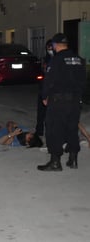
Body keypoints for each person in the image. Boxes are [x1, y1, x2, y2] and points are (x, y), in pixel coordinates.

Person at [37, 33, 87, 171]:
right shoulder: (79, 59)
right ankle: (73, 159)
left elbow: (49, 80)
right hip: (75, 100)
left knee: (54, 129)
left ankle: (55, 162)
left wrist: (44, 96)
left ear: (55, 45)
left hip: (58, 101)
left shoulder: (57, 59)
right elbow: (83, 81)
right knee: (72, 128)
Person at [35, 39, 54, 137]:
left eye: (51, 47)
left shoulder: (57, 59)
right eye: (47, 47)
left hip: (53, 89)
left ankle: (50, 132)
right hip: (43, 87)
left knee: (50, 113)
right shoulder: (45, 59)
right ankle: (39, 130)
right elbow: (41, 72)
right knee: (41, 112)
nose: (49, 49)